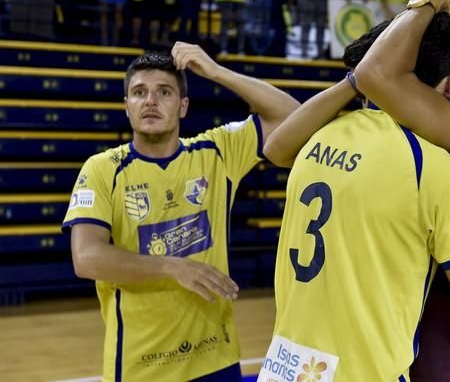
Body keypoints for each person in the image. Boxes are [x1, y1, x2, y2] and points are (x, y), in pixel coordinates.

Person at [259, 0, 450, 381]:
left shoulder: (319, 136)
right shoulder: (439, 169)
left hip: (288, 369)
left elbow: (274, 148)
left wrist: (356, 83)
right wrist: (433, 0)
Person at [62, 45, 300, 381]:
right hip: (143, 367)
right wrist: (173, 267)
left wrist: (217, 72)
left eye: (164, 92)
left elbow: (294, 117)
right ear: (126, 106)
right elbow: (86, 257)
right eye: (139, 92)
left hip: (216, 357)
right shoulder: (103, 169)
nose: (150, 101)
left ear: (183, 106)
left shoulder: (215, 152)